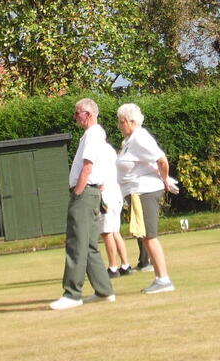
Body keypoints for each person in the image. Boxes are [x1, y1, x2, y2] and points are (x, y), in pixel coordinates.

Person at [50, 98, 117, 310]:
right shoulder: (94, 135)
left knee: (76, 243)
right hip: (92, 193)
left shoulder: (93, 135)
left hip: (86, 194)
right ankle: (104, 291)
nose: (75, 117)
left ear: (87, 114)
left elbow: (87, 167)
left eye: (77, 113)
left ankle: (72, 294)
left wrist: (78, 192)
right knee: (88, 246)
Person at [116, 103, 178, 294]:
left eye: (121, 122)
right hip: (136, 192)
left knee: (149, 236)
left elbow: (161, 159)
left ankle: (164, 280)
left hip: (145, 191)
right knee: (145, 236)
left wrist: (165, 179)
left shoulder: (140, 137)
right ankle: (159, 279)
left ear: (131, 121)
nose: (119, 126)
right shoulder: (130, 140)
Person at [97, 139, 133, 277]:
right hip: (117, 195)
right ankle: (125, 265)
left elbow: (98, 178)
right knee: (115, 231)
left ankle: (113, 268)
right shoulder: (111, 151)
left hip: (106, 197)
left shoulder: (98, 153)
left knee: (107, 233)